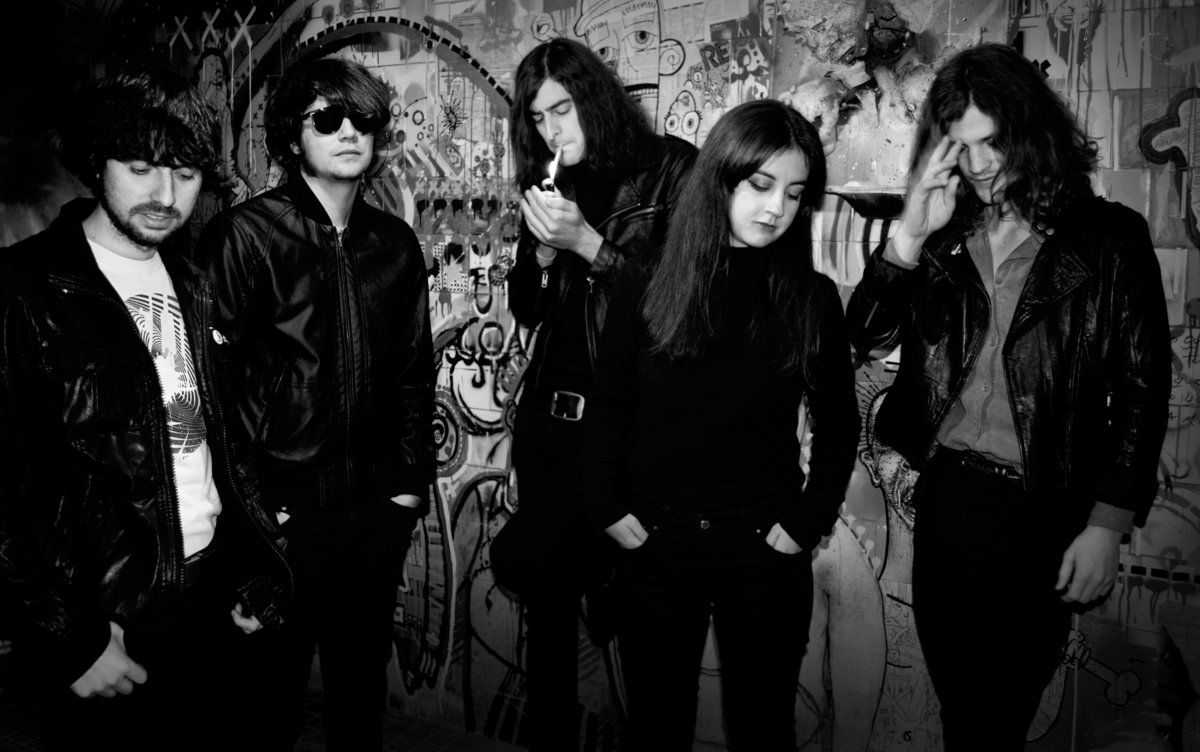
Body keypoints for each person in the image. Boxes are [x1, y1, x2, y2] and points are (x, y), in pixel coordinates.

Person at [845, 43, 1171, 750]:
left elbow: (1143, 390)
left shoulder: (1110, 239)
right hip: (946, 504)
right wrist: (908, 235)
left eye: (992, 142)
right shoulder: (944, 237)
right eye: (961, 148)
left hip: (1042, 511)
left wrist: (1107, 525)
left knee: (999, 721)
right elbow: (864, 335)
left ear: (1030, 129)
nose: (980, 165)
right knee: (962, 716)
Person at [0, 70, 291, 752]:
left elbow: (215, 445)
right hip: (107, 618)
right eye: (140, 169)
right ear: (97, 162)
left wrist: (250, 567)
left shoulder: (193, 282)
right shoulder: (22, 291)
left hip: (208, 599)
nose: (165, 195)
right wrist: (68, 636)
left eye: (185, 175)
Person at [582, 98, 861, 751]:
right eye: (760, 184)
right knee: (656, 728)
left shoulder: (810, 297)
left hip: (763, 544)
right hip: (657, 540)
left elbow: (839, 421)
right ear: (721, 180)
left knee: (763, 731)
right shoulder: (647, 279)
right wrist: (605, 503)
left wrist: (807, 520)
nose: (776, 208)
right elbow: (612, 401)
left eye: (794, 193)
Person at [195, 57, 434, 751]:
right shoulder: (244, 236)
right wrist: (253, 515)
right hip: (282, 520)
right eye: (326, 118)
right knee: (268, 705)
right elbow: (211, 393)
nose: (348, 132)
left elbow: (413, 375)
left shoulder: (395, 244)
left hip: (374, 513)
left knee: (359, 701)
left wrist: (407, 490)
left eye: (362, 118)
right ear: (293, 137)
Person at [488, 37, 697, 751]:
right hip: (547, 422)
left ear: (596, 99)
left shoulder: (671, 170)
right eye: (537, 117)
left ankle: (607, 579)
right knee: (546, 615)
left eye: (563, 108)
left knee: (531, 562)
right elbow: (531, 307)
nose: (551, 130)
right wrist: (544, 255)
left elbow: (674, 312)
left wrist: (589, 247)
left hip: (621, 428)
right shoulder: (554, 182)